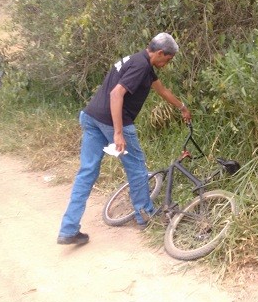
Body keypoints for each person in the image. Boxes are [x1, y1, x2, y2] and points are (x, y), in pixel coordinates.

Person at [57, 33, 192, 245]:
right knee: (137, 168)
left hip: (91, 117)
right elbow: (116, 94)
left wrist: (182, 107)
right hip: (111, 122)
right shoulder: (141, 67)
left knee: (86, 172)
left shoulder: (138, 62)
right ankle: (145, 214)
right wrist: (118, 133)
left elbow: (162, 90)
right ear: (159, 53)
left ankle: (68, 229)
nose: (168, 62)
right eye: (168, 58)